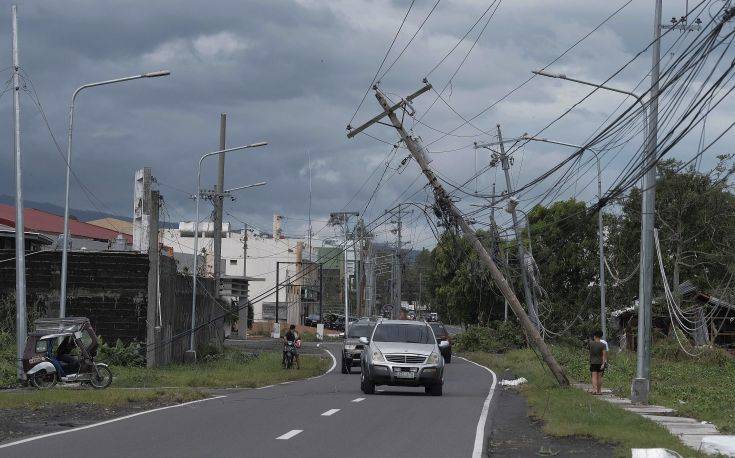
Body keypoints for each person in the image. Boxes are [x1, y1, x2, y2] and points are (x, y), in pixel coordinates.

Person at [589, 330, 607, 395]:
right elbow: (604, 355)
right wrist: (603, 363)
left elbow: (589, 352)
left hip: (593, 362)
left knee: (594, 376)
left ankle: (594, 390)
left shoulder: (591, 343)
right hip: (600, 363)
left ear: (595, 336)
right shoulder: (603, 345)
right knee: (599, 377)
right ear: (601, 336)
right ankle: (599, 391)